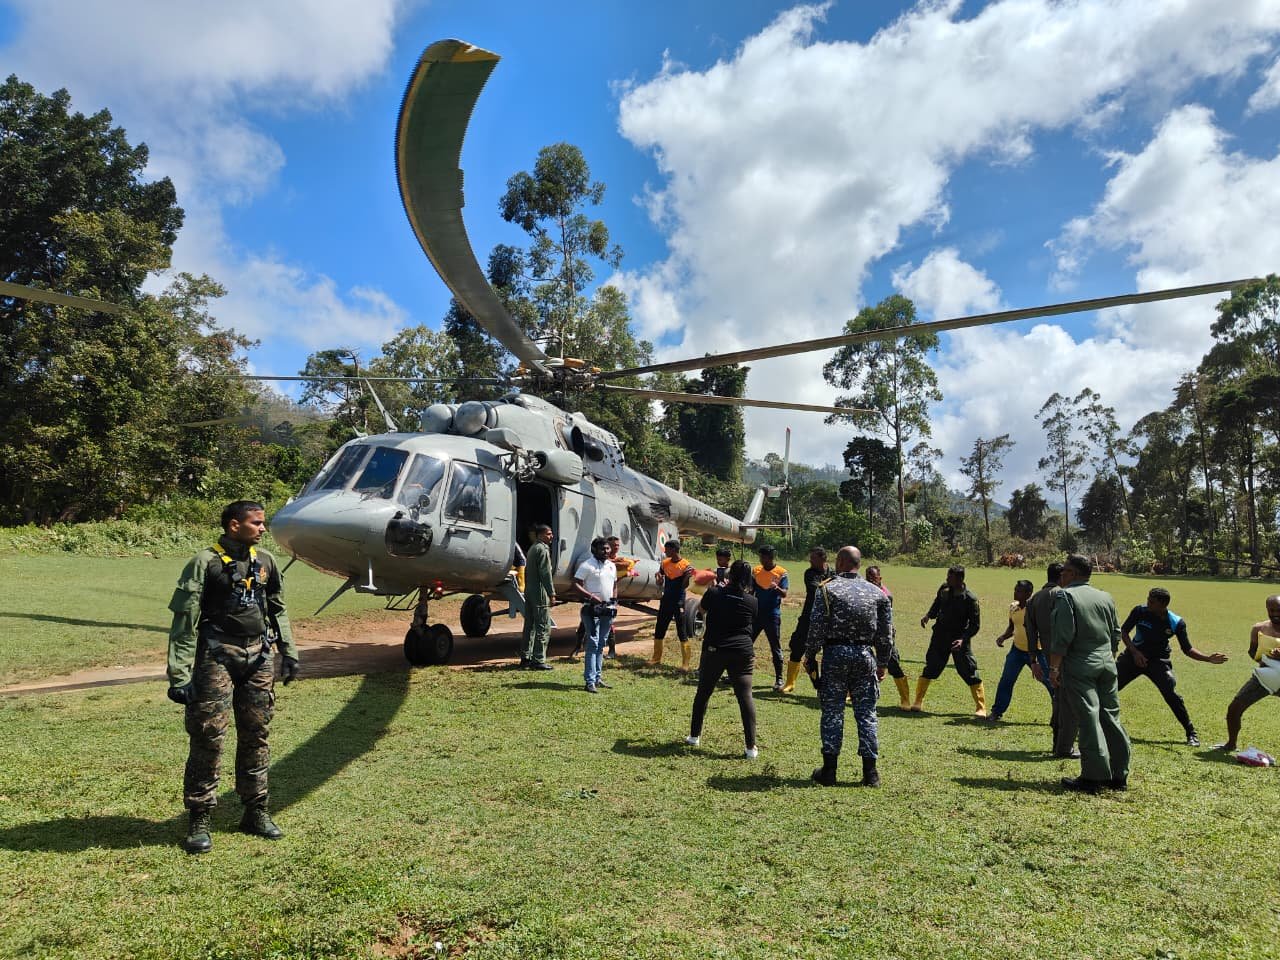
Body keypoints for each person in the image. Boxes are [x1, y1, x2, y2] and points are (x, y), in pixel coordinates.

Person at [165, 500, 299, 854]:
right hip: (216, 656)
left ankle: (255, 811)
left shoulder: (266, 561)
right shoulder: (204, 563)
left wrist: (290, 652)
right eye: (256, 523)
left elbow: (278, 608)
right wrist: (180, 675)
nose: (263, 528)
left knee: (257, 733)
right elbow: (184, 622)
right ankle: (199, 818)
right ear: (233, 525)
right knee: (209, 736)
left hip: (259, 657)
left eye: (263, 522)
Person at [806, 546, 893, 787]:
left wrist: (811, 655)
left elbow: (817, 628)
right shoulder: (877, 593)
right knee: (866, 713)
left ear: (842, 562)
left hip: (835, 655)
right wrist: (883, 663)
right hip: (865, 656)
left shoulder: (827, 588)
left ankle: (830, 770)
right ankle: (870, 773)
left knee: (833, 711)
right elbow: (886, 635)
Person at [1049, 554, 1131, 793]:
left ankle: (1093, 777)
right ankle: (1119, 774)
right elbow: (1116, 632)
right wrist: (1109, 656)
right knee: (1111, 717)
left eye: (1064, 571)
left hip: (1079, 665)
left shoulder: (1066, 596)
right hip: (1107, 663)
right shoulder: (1105, 597)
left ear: (1073, 574)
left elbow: (1062, 637)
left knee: (1088, 718)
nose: (1061, 575)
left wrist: (1054, 668)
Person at [1118, 587, 1228, 746]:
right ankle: (1088, 722)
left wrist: (1208, 658)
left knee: (1171, 694)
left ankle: (1191, 733)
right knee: (1109, 686)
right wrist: (1135, 653)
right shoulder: (1139, 611)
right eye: (1148, 599)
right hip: (1133, 657)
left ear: (1162, 604)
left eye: (1152, 601)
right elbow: (1124, 631)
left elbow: (1187, 649)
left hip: (1158, 661)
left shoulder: (1176, 622)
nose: (1147, 602)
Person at [686, 560, 760, 757]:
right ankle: (751, 747)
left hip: (715, 649)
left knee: (703, 692)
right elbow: (751, 618)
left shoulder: (715, 593)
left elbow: (701, 610)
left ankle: (694, 736)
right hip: (742, 652)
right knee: (745, 697)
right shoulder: (752, 601)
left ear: (728, 575)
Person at [913, 565, 987, 716]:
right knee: (932, 666)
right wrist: (928, 616)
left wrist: (963, 640)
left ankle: (981, 707)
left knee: (968, 670)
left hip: (959, 639)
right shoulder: (944, 589)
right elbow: (937, 604)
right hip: (940, 635)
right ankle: (918, 701)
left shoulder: (970, 599)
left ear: (960, 579)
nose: (947, 579)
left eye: (950, 577)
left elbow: (975, 626)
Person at [1026, 561, 1077, 758]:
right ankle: (1064, 744)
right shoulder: (1063, 595)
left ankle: (1058, 741)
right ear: (1061, 576)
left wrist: (1033, 660)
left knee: (1058, 696)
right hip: (1068, 655)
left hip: (1047, 655)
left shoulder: (1034, 600)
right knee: (1067, 700)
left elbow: (1031, 633)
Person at [1216, 595, 1280, 752]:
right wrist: (1262, 655)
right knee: (1234, 709)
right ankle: (1231, 743)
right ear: (1267, 609)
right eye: (1271, 610)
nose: (1275, 613)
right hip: (1265, 676)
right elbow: (1252, 652)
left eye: (1279, 610)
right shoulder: (1259, 628)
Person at [988, 579, 1054, 722]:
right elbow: (1013, 627)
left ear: (1029, 594)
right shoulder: (1013, 607)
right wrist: (1003, 637)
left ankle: (1062, 712)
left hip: (1037, 652)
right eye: (1015, 589)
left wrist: (1036, 658)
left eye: (1019, 591)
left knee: (1050, 682)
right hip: (1016, 650)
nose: (1015, 593)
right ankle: (996, 712)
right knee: (1006, 680)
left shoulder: (1035, 609)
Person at [781, 547, 832, 694]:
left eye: (813, 558)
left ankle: (823, 687)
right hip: (808, 618)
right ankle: (790, 683)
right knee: (797, 646)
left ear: (823, 559)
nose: (810, 560)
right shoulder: (810, 573)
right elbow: (817, 590)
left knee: (829, 651)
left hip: (828, 620)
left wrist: (830, 581)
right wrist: (833, 582)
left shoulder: (833, 572)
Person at [866, 564, 912, 710]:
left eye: (873, 577)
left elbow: (887, 620)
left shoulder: (886, 595)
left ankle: (905, 699)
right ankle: (850, 693)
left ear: (880, 578)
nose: (871, 580)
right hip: (866, 632)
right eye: (868, 577)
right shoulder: (863, 590)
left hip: (883, 635)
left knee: (893, 665)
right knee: (859, 662)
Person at [575, 537, 617, 693]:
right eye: (602, 549)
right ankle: (589, 681)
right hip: (591, 610)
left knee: (601, 643)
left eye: (607, 549)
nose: (606, 551)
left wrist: (614, 601)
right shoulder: (587, 565)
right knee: (592, 643)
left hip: (607, 610)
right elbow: (576, 583)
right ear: (594, 550)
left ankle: (598, 678)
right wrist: (591, 597)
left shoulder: (612, 566)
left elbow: (614, 585)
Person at [751, 544, 790, 691]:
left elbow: (784, 594)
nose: (761, 559)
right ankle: (736, 673)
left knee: (775, 647)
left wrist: (776, 587)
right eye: (760, 556)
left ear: (770, 557)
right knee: (747, 643)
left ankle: (779, 679)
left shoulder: (781, 573)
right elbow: (751, 590)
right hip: (756, 614)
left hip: (772, 615)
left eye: (763, 557)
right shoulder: (756, 571)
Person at [650, 539, 694, 670]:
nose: (665, 551)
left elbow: (685, 585)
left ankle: (685, 663)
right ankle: (656, 658)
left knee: (682, 630)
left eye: (667, 549)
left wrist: (687, 576)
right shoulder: (665, 563)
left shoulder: (686, 565)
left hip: (679, 602)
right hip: (666, 600)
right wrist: (659, 579)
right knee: (660, 628)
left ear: (674, 550)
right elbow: (659, 582)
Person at [521, 524, 555, 670]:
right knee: (543, 626)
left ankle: (526, 657)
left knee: (530, 625)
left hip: (530, 591)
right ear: (540, 535)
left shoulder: (532, 548)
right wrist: (551, 593)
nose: (551, 536)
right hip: (539, 592)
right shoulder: (542, 549)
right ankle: (539, 659)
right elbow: (545, 574)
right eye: (548, 534)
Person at [604, 535, 638, 658]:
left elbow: (624, 566)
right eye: (613, 545)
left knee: (610, 623)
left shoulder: (620, 560)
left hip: (611, 595)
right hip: (597, 594)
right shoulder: (602, 560)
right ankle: (578, 646)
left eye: (617, 545)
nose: (616, 548)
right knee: (587, 622)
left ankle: (612, 651)